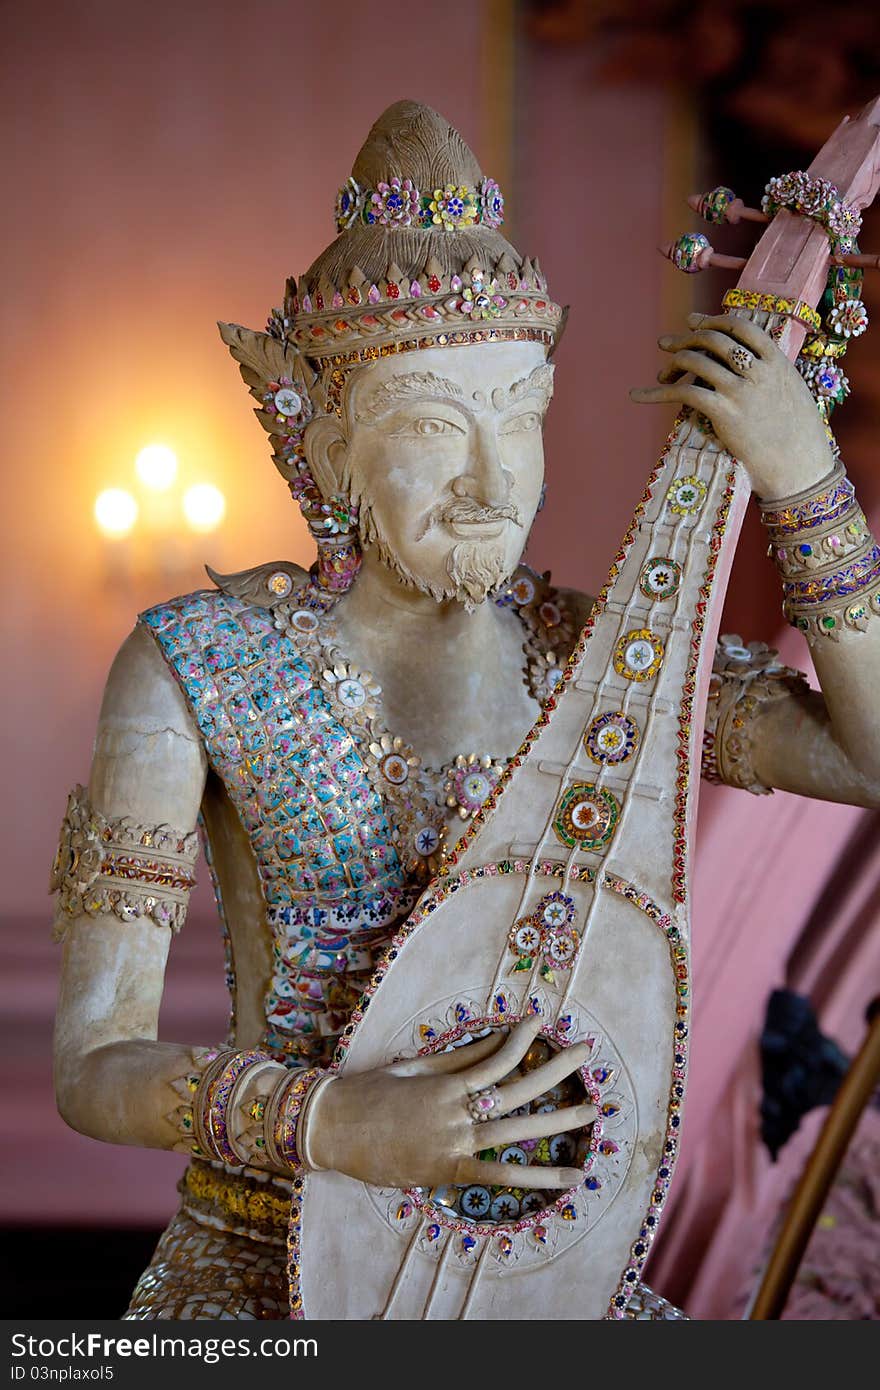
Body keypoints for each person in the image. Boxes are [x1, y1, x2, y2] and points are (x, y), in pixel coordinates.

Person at [51, 101, 880, 1320]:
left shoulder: (599, 659)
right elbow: (92, 1066)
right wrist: (344, 1121)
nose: (494, 477)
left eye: (518, 415)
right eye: (434, 427)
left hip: (545, 1278)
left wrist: (805, 478)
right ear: (325, 445)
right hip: (266, 1258)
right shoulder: (201, 664)